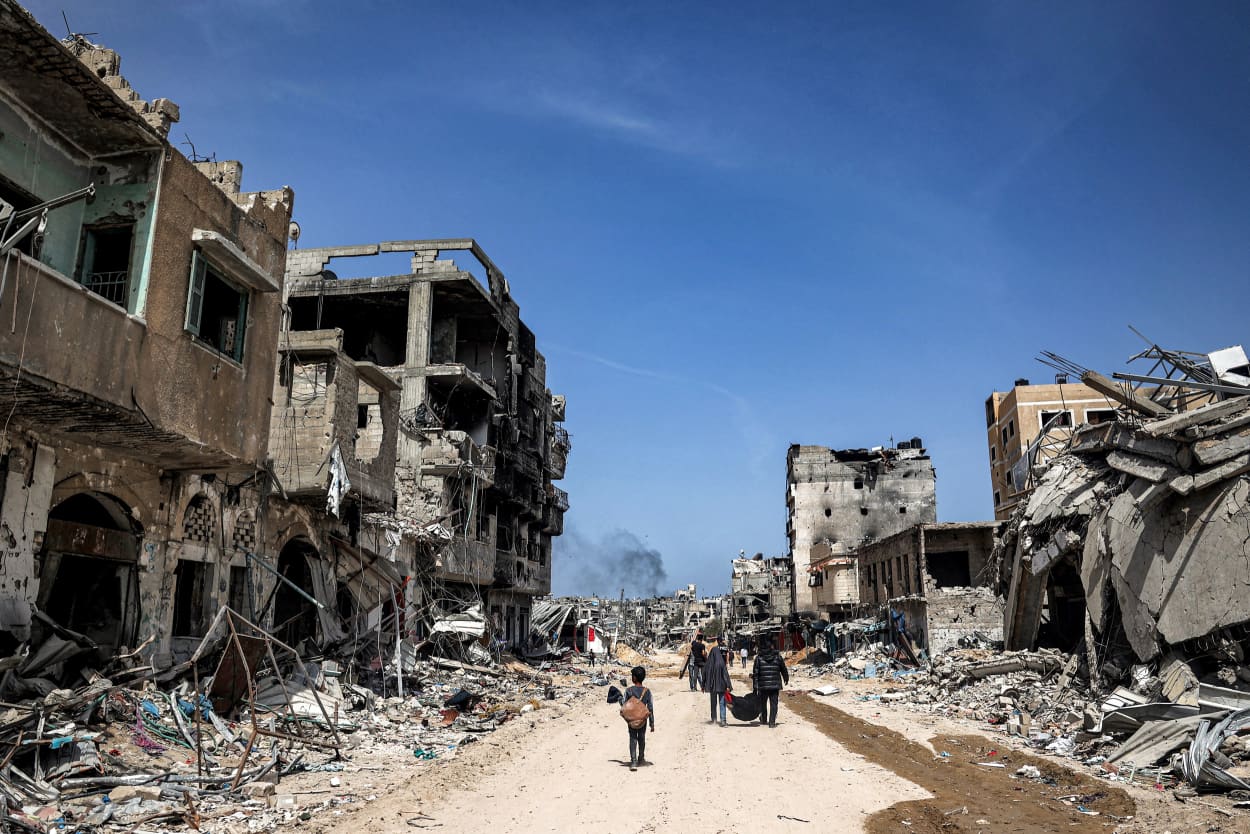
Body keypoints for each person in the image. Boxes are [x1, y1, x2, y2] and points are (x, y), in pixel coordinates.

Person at [751, 636, 789, 728]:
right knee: (774, 704)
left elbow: (755, 673)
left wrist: (755, 686)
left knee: (763, 703)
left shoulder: (758, 658)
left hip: (762, 686)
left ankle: (764, 719)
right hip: (774, 685)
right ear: (772, 646)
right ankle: (772, 722)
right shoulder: (778, 657)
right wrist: (786, 678)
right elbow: (783, 669)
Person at [622, 665, 655, 771]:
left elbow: (624, 705)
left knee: (633, 739)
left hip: (631, 720)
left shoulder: (628, 690)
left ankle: (634, 761)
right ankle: (641, 758)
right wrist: (652, 723)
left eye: (632, 675)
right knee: (641, 738)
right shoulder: (647, 691)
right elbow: (650, 708)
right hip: (642, 720)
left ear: (634, 678)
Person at [701, 638, 732, 726]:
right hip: (721, 686)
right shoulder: (721, 663)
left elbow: (704, 675)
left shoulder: (708, 664)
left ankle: (714, 719)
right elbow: (725, 675)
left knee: (713, 703)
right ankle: (723, 720)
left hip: (712, 687)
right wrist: (728, 686)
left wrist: (703, 686)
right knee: (722, 702)